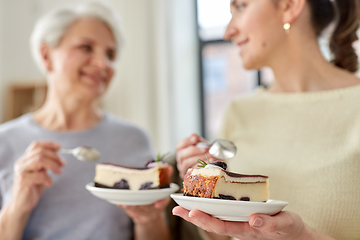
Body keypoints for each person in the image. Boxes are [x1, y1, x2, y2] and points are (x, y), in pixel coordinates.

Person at [173, 0, 360, 239]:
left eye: (240, 7)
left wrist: (305, 237)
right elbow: (225, 234)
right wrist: (206, 194)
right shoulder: (239, 111)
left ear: (290, 6)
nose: (227, 31)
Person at [0, 2, 171, 240]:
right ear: (46, 55)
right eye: (86, 47)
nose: (103, 64)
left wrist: (149, 219)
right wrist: (17, 205)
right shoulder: (4, 142)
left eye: (110, 54)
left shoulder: (133, 139)